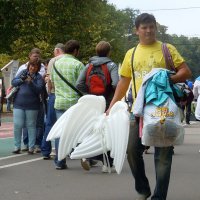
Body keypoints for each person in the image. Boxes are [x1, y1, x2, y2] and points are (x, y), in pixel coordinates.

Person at [106, 13, 192, 200]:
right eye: (144, 27)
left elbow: (186, 71)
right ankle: (142, 188)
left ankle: (159, 197)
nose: (148, 30)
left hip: (164, 110)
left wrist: (168, 78)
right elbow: (123, 81)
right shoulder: (132, 53)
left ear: (156, 28)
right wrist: (111, 106)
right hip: (138, 111)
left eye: (151, 26)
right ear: (137, 30)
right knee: (131, 150)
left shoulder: (166, 49)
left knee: (162, 156)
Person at [76, 41, 119, 172]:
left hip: (91, 102)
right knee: (106, 131)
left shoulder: (89, 65)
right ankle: (106, 162)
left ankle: (87, 155)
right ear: (109, 51)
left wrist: (87, 94)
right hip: (106, 101)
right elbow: (116, 83)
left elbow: (79, 83)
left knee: (91, 128)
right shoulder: (111, 65)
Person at [51, 40, 84, 169]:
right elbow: (81, 84)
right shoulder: (78, 64)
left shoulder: (55, 64)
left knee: (61, 132)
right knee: (79, 131)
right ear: (75, 51)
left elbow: (53, 83)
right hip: (75, 103)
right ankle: (84, 157)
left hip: (59, 102)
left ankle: (60, 161)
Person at [16, 48, 46, 152]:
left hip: (39, 98)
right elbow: (15, 81)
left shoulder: (43, 68)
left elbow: (42, 84)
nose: (36, 58)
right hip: (24, 99)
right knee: (25, 123)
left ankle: (37, 143)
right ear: (29, 56)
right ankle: (26, 142)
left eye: (38, 56)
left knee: (38, 123)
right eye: (34, 56)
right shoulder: (22, 68)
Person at [41, 43, 65, 160]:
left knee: (50, 123)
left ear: (57, 50)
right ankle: (66, 150)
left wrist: (49, 92)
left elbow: (49, 80)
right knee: (66, 125)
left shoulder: (53, 61)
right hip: (67, 95)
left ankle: (45, 150)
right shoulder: (72, 61)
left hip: (55, 94)